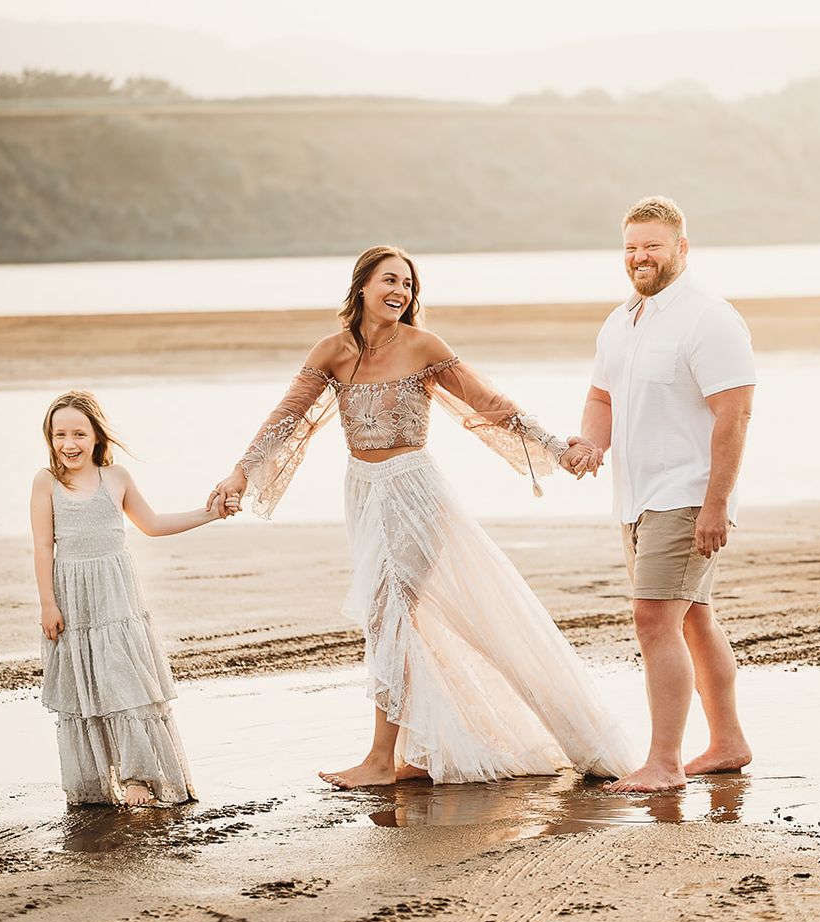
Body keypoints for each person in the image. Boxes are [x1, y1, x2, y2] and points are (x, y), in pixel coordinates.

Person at [207, 245, 639, 788]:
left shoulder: (424, 346)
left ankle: (381, 760)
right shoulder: (332, 352)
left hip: (414, 490)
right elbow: (284, 420)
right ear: (362, 285)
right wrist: (238, 475)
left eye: (408, 285)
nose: (400, 292)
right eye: (390, 280)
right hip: (362, 491)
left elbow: (490, 403)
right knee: (395, 618)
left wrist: (557, 448)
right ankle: (426, 748)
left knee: (388, 614)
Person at [577, 196, 758, 793]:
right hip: (634, 498)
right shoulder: (621, 320)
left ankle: (664, 762)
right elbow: (602, 397)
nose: (639, 257)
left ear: (682, 248)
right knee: (693, 620)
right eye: (630, 247)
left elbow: (734, 416)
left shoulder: (709, 318)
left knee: (654, 618)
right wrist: (592, 446)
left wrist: (715, 504)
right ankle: (727, 743)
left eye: (652, 245)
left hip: (685, 494)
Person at [32, 390, 236, 806]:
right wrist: (47, 604)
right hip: (72, 597)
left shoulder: (117, 478)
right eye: (59, 435)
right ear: (49, 438)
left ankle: (137, 777)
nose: (69, 444)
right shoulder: (46, 481)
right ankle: (96, 782)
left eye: (78, 434)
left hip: (116, 598)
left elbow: (154, 524)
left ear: (96, 436)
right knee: (85, 688)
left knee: (123, 681)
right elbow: (41, 547)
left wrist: (210, 513)